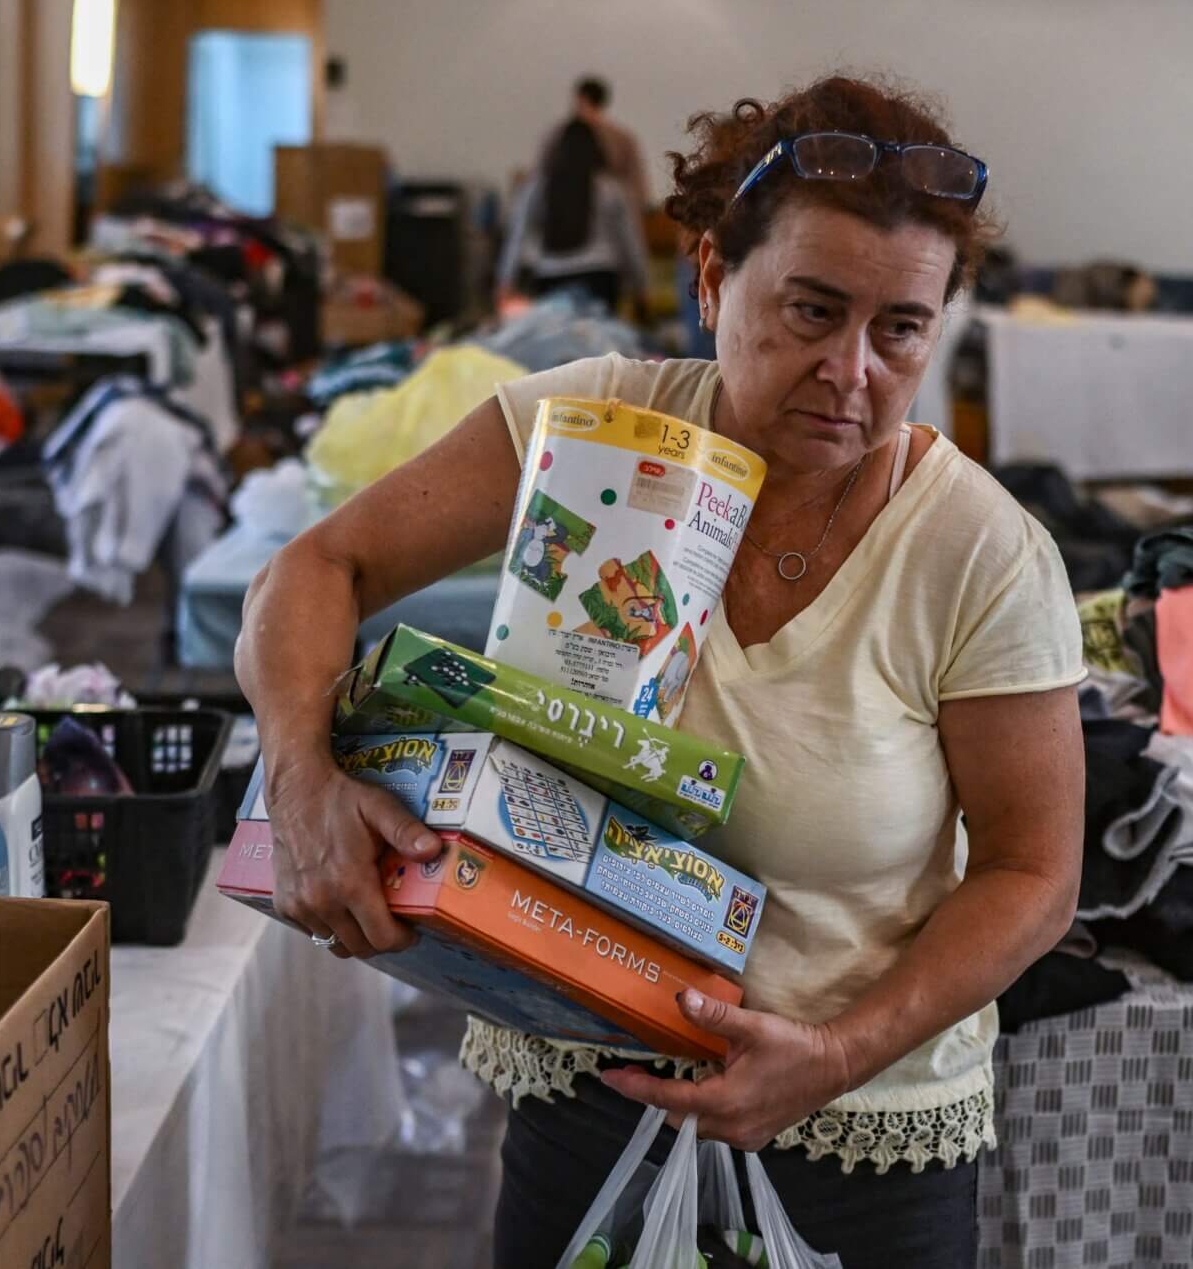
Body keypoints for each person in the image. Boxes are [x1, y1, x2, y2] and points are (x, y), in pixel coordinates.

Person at [238, 75, 1084, 1267]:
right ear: (709, 278)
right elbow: (312, 573)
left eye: (900, 330)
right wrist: (303, 775)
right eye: (810, 310)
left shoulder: (979, 553)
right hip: (588, 1081)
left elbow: (1033, 872)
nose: (852, 373)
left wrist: (835, 1056)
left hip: (853, 1134)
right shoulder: (594, 435)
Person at [495, 116, 650, 312]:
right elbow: (630, 239)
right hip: (600, 274)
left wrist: (505, 281)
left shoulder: (538, 187)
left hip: (549, 274)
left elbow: (517, 234)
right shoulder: (609, 188)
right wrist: (641, 286)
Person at [541, 74, 652, 215]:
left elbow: (542, 175)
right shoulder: (622, 138)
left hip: (569, 210)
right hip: (609, 211)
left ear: (579, 98)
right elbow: (638, 185)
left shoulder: (556, 136)